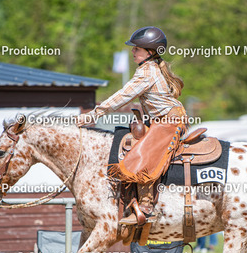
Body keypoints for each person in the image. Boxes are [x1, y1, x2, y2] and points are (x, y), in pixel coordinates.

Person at [76, 26, 187, 226]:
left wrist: (94, 114)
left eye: (137, 48)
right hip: (162, 120)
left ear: (150, 52)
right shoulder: (150, 68)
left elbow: (123, 96)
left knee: (144, 154)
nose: (133, 51)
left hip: (168, 122)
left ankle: (146, 207)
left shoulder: (147, 72)